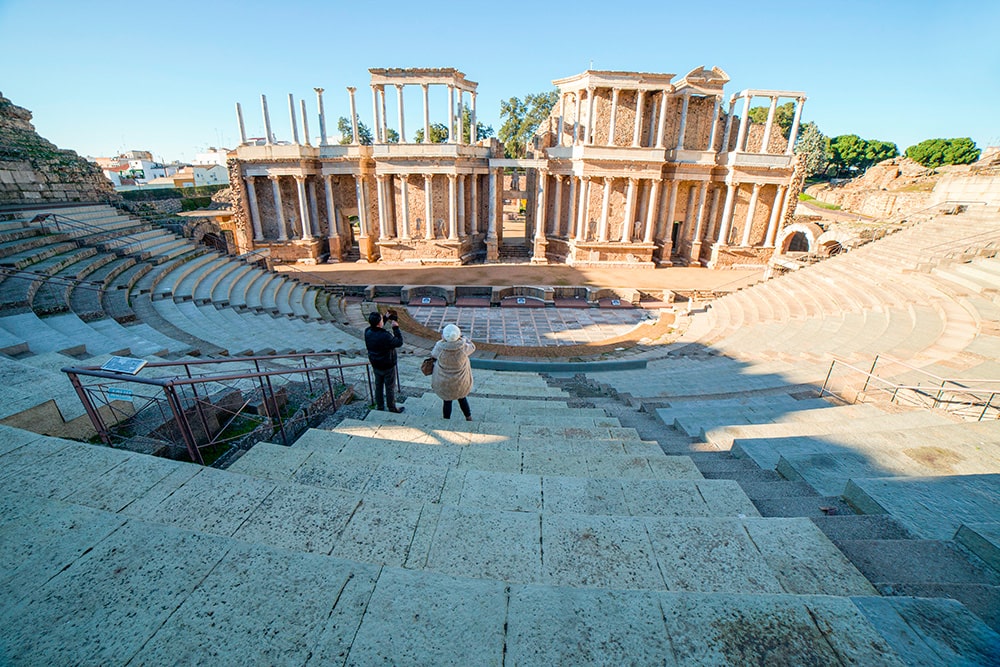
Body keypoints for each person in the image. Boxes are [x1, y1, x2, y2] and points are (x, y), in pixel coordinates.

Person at [431, 323, 475, 420]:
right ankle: (468, 417)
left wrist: (442, 340)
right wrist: (464, 338)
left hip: (445, 381)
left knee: (447, 401)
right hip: (460, 382)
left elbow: (433, 354)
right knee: (462, 398)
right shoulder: (463, 347)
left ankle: (446, 420)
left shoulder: (440, 347)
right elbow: (472, 347)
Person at [364, 309, 404, 413]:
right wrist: (396, 328)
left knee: (378, 386)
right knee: (389, 387)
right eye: (381, 320)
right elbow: (399, 342)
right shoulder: (386, 336)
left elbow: (377, 329)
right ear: (379, 323)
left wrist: (385, 318)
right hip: (387, 365)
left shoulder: (367, 331)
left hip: (376, 364)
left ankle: (380, 406)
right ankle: (392, 407)